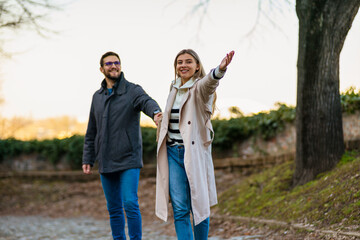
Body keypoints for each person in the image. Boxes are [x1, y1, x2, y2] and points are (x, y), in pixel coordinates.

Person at [155, 49, 235, 239]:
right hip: (173, 153)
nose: (183, 65)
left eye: (188, 61)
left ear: (197, 66)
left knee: (200, 206)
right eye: (179, 62)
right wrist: (162, 118)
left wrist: (220, 70)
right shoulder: (173, 88)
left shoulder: (200, 88)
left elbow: (210, 83)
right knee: (180, 208)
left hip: (193, 154)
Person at [82, 51, 162, 240]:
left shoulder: (132, 90)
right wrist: (88, 157)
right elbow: (91, 130)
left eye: (116, 62)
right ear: (102, 69)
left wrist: (156, 113)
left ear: (121, 65)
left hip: (129, 158)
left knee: (130, 204)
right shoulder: (97, 96)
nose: (113, 66)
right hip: (105, 159)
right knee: (114, 209)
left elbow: (146, 101)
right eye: (108, 63)